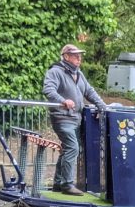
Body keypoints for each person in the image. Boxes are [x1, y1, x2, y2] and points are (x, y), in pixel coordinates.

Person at [42, 44, 107, 195]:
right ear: (66, 56)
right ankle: (67, 184)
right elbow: (48, 90)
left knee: (67, 149)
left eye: (80, 55)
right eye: (75, 55)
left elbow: (89, 92)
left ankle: (58, 183)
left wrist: (103, 106)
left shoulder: (79, 74)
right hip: (62, 117)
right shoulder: (55, 72)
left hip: (75, 118)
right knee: (73, 148)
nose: (79, 58)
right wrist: (63, 100)